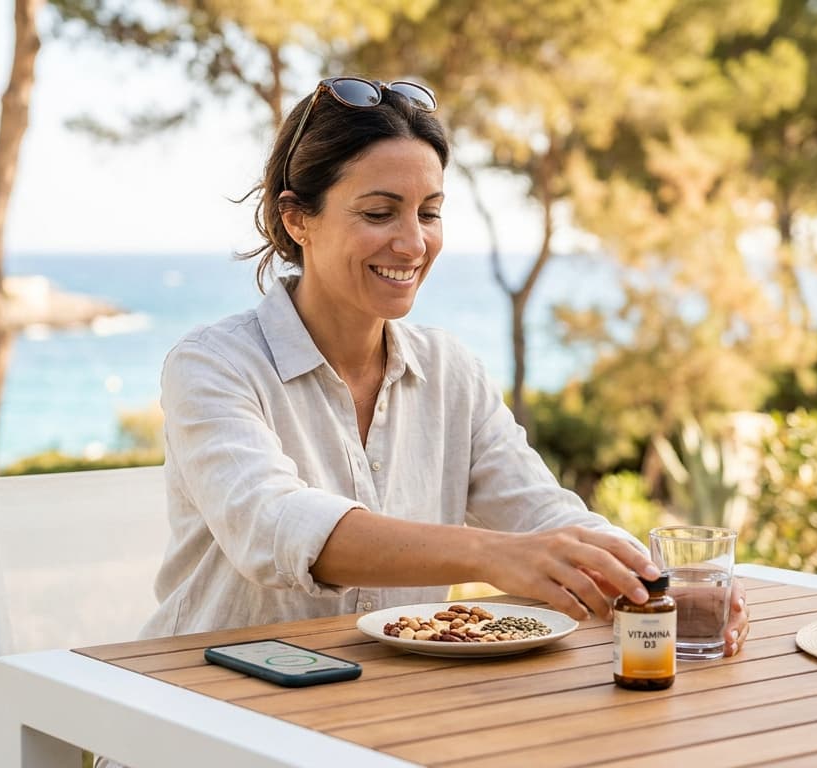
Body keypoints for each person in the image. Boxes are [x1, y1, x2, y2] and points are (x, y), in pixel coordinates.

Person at [143, 76, 750, 656]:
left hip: (379, 715)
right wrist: (490, 555)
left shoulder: (449, 371)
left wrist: (654, 579)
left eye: (428, 212)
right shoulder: (214, 366)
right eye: (379, 213)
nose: (412, 243)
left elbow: (542, 512)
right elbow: (274, 526)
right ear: (298, 218)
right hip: (196, 710)